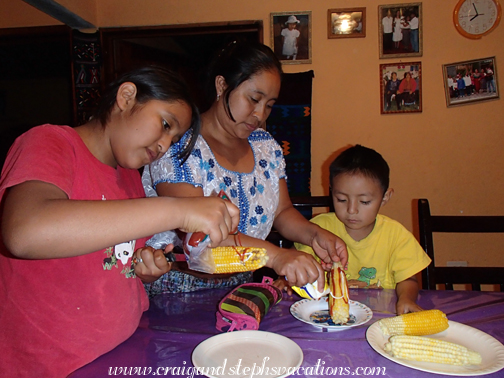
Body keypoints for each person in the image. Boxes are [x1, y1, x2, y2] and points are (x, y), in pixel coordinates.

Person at [0, 66, 242, 378]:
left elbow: (111, 265)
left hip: (119, 354)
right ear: (126, 97)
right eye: (165, 124)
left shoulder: (130, 180)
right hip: (49, 366)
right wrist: (178, 210)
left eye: (174, 138)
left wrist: (146, 271)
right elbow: (24, 233)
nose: (164, 145)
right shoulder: (49, 142)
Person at [142, 41, 348, 295]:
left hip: (243, 288)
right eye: (254, 99)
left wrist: (315, 235)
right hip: (179, 291)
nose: (260, 114)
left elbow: (282, 212)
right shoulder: (179, 146)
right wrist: (276, 256)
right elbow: (198, 234)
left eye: (269, 105)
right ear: (221, 85)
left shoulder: (265, 147)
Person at [294, 145, 431, 314]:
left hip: (380, 317)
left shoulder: (396, 236)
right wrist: (286, 280)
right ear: (332, 192)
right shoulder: (318, 229)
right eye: (342, 199)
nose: (352, 210)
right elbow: (297, 262)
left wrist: (406, 299)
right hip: (326, 318)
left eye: (364, 202)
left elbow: (408, 279)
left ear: (384, 198)